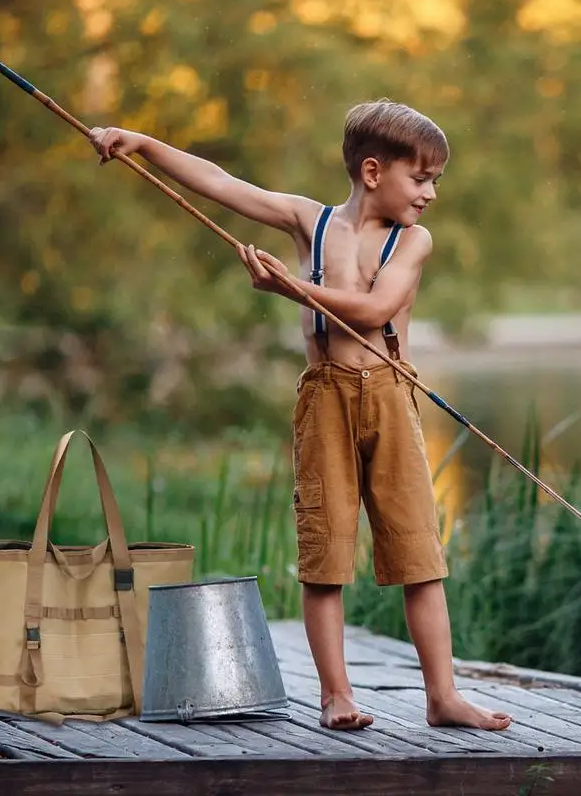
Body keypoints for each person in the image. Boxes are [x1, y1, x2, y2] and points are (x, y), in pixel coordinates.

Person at [89, 100, 512, 732]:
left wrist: (294, 289)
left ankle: (443, 696)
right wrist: (143, 143)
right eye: (420, 178)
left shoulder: (413, 241)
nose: (429, 194)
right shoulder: (307, 222)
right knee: (325, 553)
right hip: (324, 401)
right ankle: (335, 695)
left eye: (434, 182)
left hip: (391, 398)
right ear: (373, 172)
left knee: (419, 554)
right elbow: (222, 184)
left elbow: (373, 312)